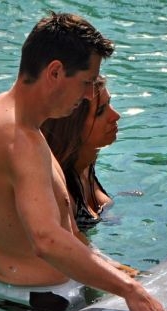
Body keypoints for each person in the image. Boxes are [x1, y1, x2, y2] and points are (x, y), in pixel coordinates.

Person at [0, 12, 167, 311]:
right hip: (34, 309)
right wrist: (129, 289)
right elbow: (47, 240)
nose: (85, 95)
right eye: (86, 82)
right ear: (54, 72)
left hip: (7, 293)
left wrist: (112, 269)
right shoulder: (18, 137)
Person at [41, 76, 118, 233]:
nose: (116, 116)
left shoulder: (85, 163)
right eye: (101, 111)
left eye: (109, 104)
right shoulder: (57, 187)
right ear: (73, 126)